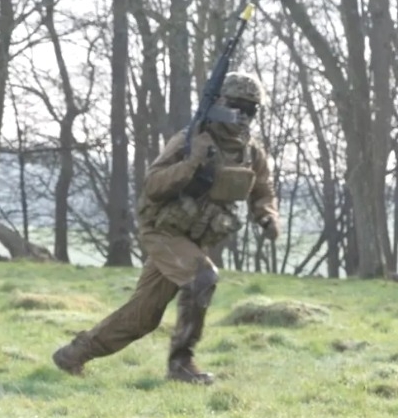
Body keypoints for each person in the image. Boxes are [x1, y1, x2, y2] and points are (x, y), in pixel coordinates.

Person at [52, 72, 280, 384]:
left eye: (251, 110)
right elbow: (154, 184)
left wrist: (267, 216)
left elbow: (262, 190)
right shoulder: (192, 140)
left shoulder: (251, 152)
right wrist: (191, 163)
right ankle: (181, 365)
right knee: (203, 277)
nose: (244, 116)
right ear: (220, 104)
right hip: (162, 230)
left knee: (143, 317)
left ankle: (73, 355)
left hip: (194, 238)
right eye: (237, 106)